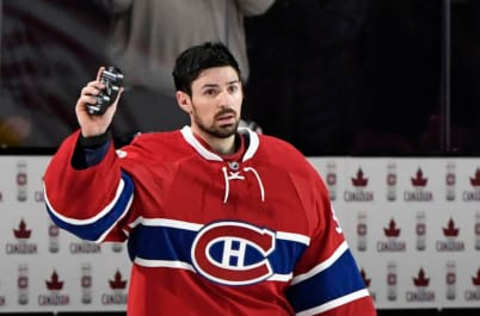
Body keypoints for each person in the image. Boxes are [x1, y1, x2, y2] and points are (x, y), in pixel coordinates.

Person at [43, 42, 376, 315]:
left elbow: (331, 289)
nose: (225, 101)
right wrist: (94, 137)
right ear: (184, 101)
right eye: (210, 92)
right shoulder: (151, 160)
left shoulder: (290, 168)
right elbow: (84, 216)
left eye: (232, 89)